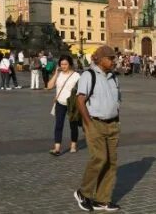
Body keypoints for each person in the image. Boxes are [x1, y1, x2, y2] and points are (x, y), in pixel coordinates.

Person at [74, 45, 122, 212]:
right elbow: (80, 100)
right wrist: (88, 123)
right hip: (95, 123)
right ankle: (83, 193)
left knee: (111, 162)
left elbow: (118, 99)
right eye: (110, 58)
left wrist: (117, 118)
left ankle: (102, 199)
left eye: (114, 58)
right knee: (99, 158)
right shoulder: (89, 75)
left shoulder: (114, 77)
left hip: (113, 124)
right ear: (100, 59)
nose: (113, 61)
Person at [47, 54, 80, 156]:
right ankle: (57, 148)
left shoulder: (76, 76)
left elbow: (81, 91)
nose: (63, 66)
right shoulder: (59, 74)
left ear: (70, 64)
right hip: (60, 103)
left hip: (72, 104)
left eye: (65, 64)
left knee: (73, 125)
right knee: (58, 125)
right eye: (61, 64)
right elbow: (49, 86)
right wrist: (56, 73)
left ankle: (73, 145)